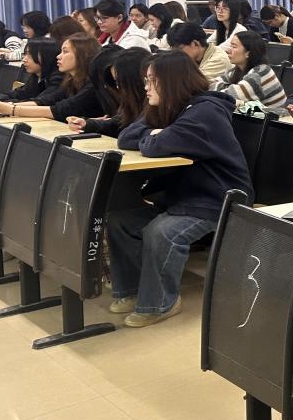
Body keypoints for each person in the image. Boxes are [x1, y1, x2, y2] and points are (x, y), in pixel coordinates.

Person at [106, 51, 252, 326]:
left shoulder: (206, 111)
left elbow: (157, 146)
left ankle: (161, 303)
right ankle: (132, 291)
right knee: (120, 222)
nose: (146, 87)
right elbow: (126, 137)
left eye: (152, 81)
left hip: (217, 199)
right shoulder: (167, 107)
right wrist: (153, 133)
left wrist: (155, 136)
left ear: (172, 81)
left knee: (161, 232)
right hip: (182, 197)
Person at [0, 35, 105, 122]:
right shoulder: (70, 80)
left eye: (65, 52)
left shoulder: (93, 84)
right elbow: (44, 101)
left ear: (83, 55)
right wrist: (3, 105)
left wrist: (9, 108)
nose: (58, 56)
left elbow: (57, 110)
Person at [68, 48, 150, 138]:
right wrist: (86, 124)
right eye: (116, 82)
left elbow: (127, 136)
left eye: (120, 81)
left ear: (134, 80)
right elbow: (119, 121)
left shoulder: (153, 105)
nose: (118, 87)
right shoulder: (132, 104)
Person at [208, 31, 289, 114]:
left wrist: (229, 88)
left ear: (248, 53)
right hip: (254, 118)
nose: (228, 50)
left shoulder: (260, 73)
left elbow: (225, 96)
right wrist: (231, 87)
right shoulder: (237, 70)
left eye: (234, 46)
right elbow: (210, 85)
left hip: (275, 120)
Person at [0, 38, 62, 103]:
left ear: (46, 57)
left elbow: (37, 103)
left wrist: (2, 103)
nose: (24, 59)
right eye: (25, 54)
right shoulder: (36, 76)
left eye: (30, 55)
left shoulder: (57, 80)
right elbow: (18, 94)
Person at [166, 21, 230, 81]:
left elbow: (191, 83)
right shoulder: (196, 58)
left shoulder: (218, 60)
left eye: (180, 49)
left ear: (195, 43)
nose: (176, 53)